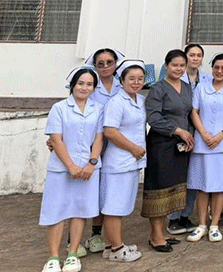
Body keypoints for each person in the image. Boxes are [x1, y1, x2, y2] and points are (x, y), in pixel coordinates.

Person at [39, 68, 103, 272]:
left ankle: (73, 254)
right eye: (80, 83)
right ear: (73, 85)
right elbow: (56, 140)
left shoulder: (98, 109)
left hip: (88, 171)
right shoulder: (59, 108)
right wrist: (71, 166)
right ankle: (53, 257)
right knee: (56, 211)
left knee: (79, 210)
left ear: (94, 88)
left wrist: (91, 163)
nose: (84, 88)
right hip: (61, 169)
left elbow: (99, 138)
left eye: (89, 84)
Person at [186, 54, 223, 242]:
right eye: (216, 67)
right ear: (211, 68)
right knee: (202, 186)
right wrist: (204, 134)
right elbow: (194, 112)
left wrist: (222, 134)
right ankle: (201, 225)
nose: (219, 71)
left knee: (219, 187)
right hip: (202, 143)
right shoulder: (201, 88)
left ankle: (214, 225)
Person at [143, 50, 194, 253]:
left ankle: (161, 232)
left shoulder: (187, 88)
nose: (178, 69)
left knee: (173, 188)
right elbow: (154, 118)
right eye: (175, 65)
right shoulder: (158, 89)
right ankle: (155, 236)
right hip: (161, 144)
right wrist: (178, 131)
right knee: (159, 189)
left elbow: (189, 115)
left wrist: (188, 136)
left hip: (180, 146)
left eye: (182, 65)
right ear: (166, 66)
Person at [100, 60, 147, 263]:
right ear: (122, 80)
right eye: (131, 79)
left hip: (132, 162)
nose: (136, 82)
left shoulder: (141, 100)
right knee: (114, 206)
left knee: (122, 205)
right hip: (118, 162)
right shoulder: (116, 102)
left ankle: (110, 246)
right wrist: (133, 148)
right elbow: (110, 131)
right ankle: (118, 249)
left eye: (140, 79)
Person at [84, 48, 124, 254]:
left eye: (110, 62)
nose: (106, 67)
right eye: (101, 64)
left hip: (117, 144)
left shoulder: (122, 85)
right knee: (87, 190)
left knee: (106, 191)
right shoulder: (88, 84)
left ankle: (97, 234)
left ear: (116, 64)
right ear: (95, 66)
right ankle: (74, 239)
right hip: (90, 143)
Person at [167, 44, 208, 235]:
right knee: (177, 177)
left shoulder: (207, 78)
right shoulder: (174, 78)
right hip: (179, 133)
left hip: (199, 132)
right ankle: (173, 218)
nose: (195, 58)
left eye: (199, 55)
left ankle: (186, 215)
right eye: (192, 55)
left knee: (193, 177)